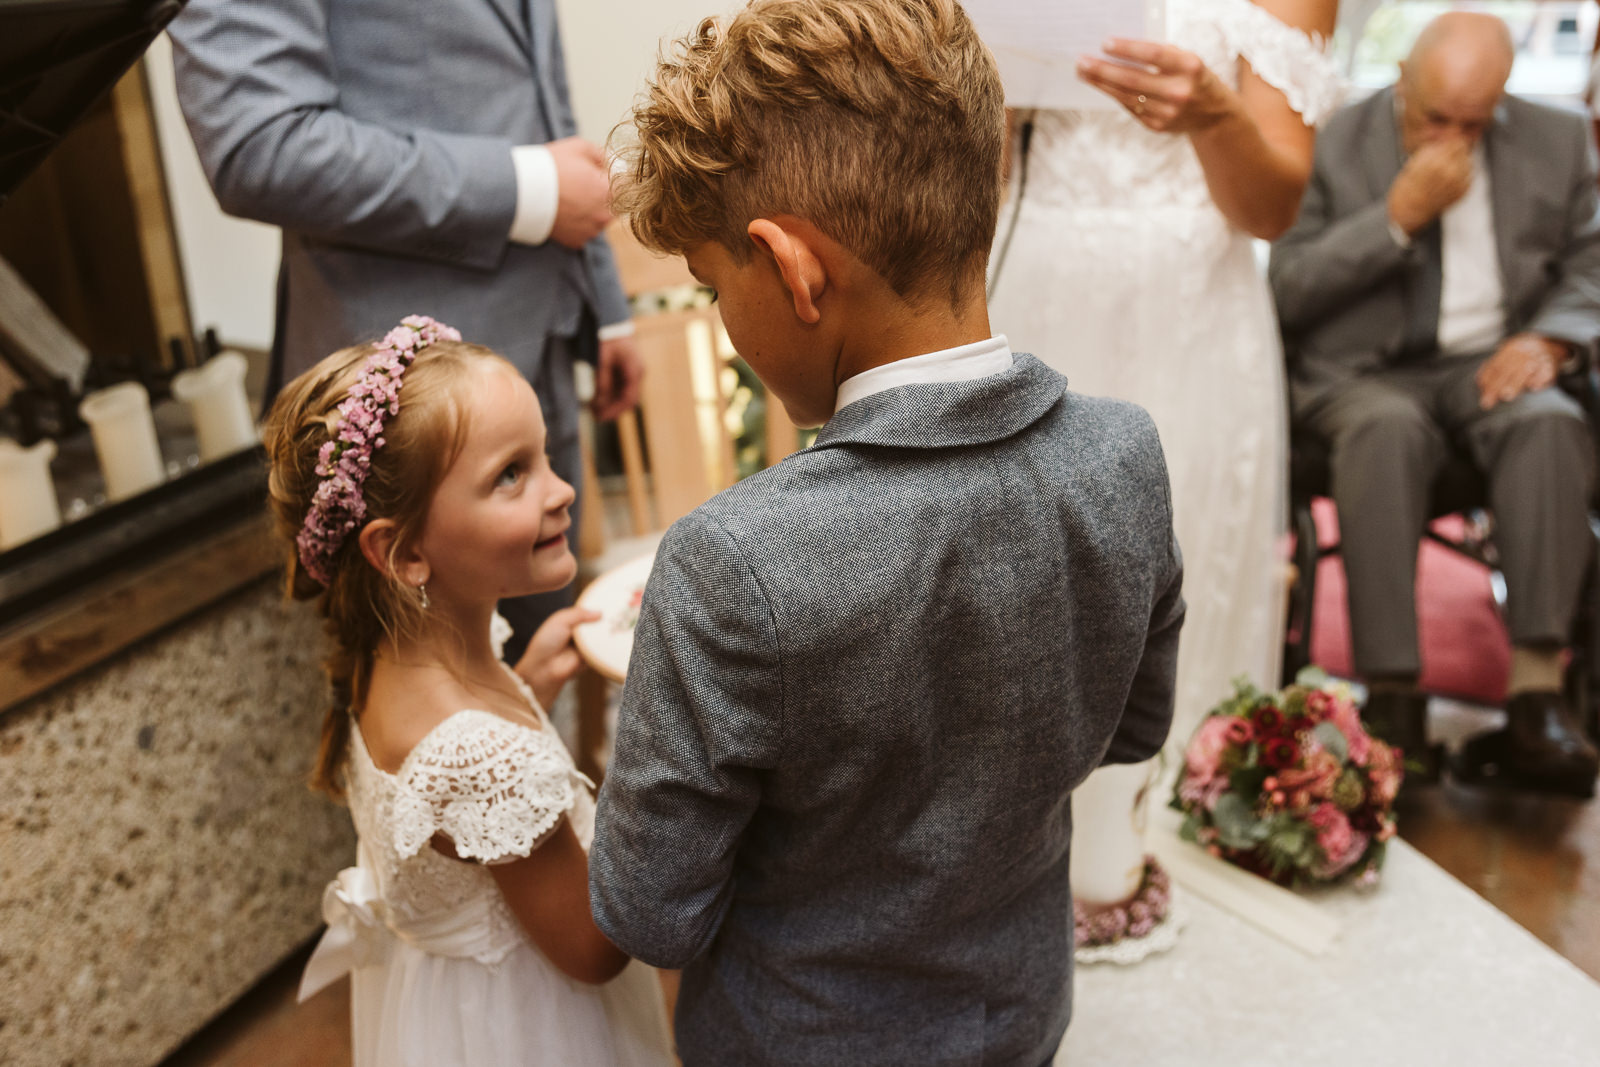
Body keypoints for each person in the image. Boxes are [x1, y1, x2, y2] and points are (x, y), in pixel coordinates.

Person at [586, 3, 1183, 1063]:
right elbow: (1130, 731)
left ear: (793, 268)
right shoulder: (1123, 455)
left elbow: (651, 913)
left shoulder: (730, 564)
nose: (724, 317)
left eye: (718, 287)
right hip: (1023, 1013)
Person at [983, 0, 1341, 908]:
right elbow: (978, 173)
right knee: (1022, 576)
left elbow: (1275, 207)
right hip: (1034, 288)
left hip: (1190, 308)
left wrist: (1215, 114)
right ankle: (1008, 846)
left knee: (1178, 568)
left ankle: (1155, 846)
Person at [169, 0, 642, 661]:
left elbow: (538, 98)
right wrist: (525, 188)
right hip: (408, 417)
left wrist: (604, 306)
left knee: (537, 686)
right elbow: (261, 144)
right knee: (438, 709)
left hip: (543, 353)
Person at [262, 317, 673, 1066]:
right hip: (528, 1028)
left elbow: (454, 805)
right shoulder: (483, 758)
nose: (563, 489)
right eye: (511, 474)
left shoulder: (388, 657)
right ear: (405, 550)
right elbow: (593, 949)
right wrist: (662, 763)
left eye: (544, 456)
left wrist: (527, 690)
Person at [1270, 13, 1600, 797]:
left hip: (1491, 360)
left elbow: (1592, 263)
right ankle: (1394, 700)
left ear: (1503, 101)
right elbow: (1285, 291)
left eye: (1473, 124)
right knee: (1385, 431)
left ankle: (1534, 699)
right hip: (1361, 374)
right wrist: (1395, 219)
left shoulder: (1557, 140)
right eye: (1435, 119)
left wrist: (1551, 341)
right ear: (1402, 85)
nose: (1453, 138)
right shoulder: (1332, 137)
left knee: (1551, 422)